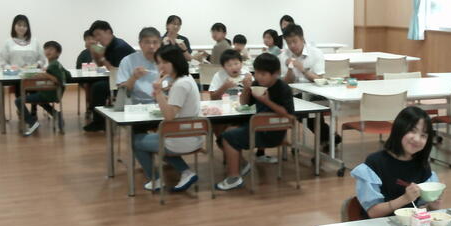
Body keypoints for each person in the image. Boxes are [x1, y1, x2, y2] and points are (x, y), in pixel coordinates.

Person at [216, 53, 295, 191]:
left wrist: (266, 101)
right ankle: (242, 165)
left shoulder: (283, 88)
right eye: (257, 73)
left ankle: (234, 177)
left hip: (273, 133)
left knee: (227, 138)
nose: (258, 77)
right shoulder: (257, 84)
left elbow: (289, 116)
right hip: (258, 129)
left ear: (275, 74)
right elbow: (244, 103)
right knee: (225, 134)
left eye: (263, 74)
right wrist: (247, 88)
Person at [132, 44, 201, 193]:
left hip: (181, 138)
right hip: (192, 135)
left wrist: (158, 92)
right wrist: (161, 95)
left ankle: (155, 180)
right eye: (159, 62)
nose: (161, 66)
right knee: (155, 139)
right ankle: (186, 172)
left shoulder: (180, 85)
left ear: (175, 61)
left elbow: (169, 116)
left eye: (165, 62)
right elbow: (177, 105)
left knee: (136, 142)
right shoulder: (186, 79)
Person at [280, 24, 339, 152]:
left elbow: (320, 79)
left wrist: (303, 70)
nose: (292, 46)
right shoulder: (284, 56)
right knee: (299, 108)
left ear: (302, 39)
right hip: (294, 93)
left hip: (315, 92)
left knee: (308, 109)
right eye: (289, 43)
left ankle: (327, 138)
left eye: (294, 41)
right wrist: (290, 69)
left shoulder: (315, 53)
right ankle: (329, 137)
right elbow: (285, 82)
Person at [84, 20, 135, 132]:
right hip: (118, 78)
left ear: (108, 32)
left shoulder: (119, 47)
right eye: (95, 36)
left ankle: (99, 122)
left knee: (98, 87)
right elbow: (100, 64)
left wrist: (102, 57)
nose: (97, 39)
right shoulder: (109, 45)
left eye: (99, 34)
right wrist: (92, 50)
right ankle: (96, 116)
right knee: (92, 84)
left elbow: (114, 70)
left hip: (128, 83)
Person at [15, 41, 67, 136]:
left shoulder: (54, 65)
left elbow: (58, 80)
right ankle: (56, 115)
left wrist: (45, 74)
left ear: (58, 53)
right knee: (40, 101)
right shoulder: (56, 64)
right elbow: (67, 75)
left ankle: (32, 122)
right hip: (52, 94)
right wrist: (45, 73)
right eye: (46, 49)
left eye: (51, 49)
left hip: (49, 94)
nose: (48, 51)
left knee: (18, 100)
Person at [117, 27, 161, 104]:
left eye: (155, 42)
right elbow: (122, 89)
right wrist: (134, 78)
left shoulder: (167, 60)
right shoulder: (128, 60)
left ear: (160, 44)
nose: (151, 46)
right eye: (147, 42)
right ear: (140, 44)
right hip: (136, 104)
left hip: (162, 103)